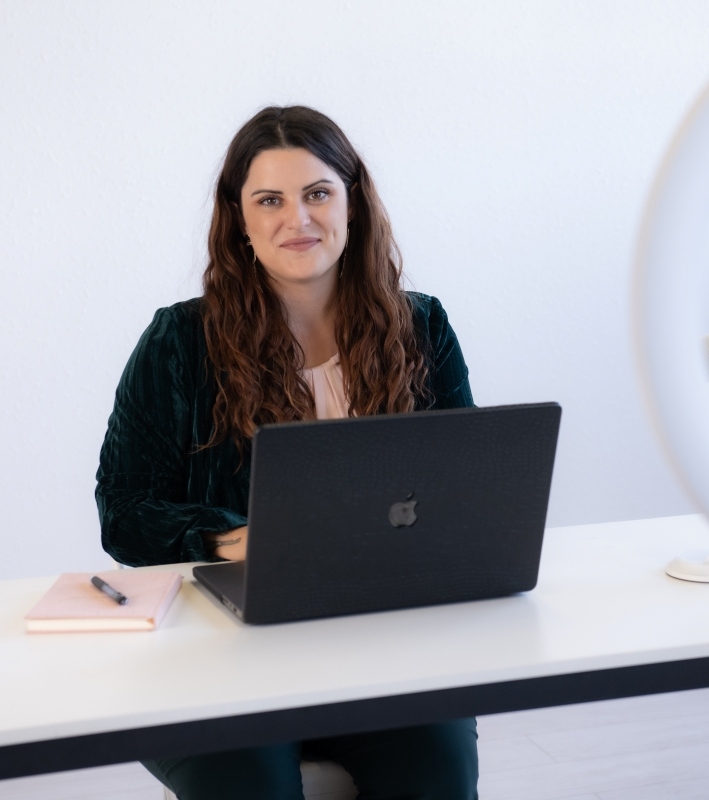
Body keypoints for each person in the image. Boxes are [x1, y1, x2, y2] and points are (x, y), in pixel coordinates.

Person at [95, 106, 479, 800]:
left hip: (382, 648)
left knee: (437, 774)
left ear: (352, 203)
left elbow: (466, 488)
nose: (296, 219)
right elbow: (122, 512)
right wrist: (231, 539)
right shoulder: (178, 343)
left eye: (318, 193)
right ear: (238, 219)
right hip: (221, 660)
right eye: (269, 200)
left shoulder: (422, 327)